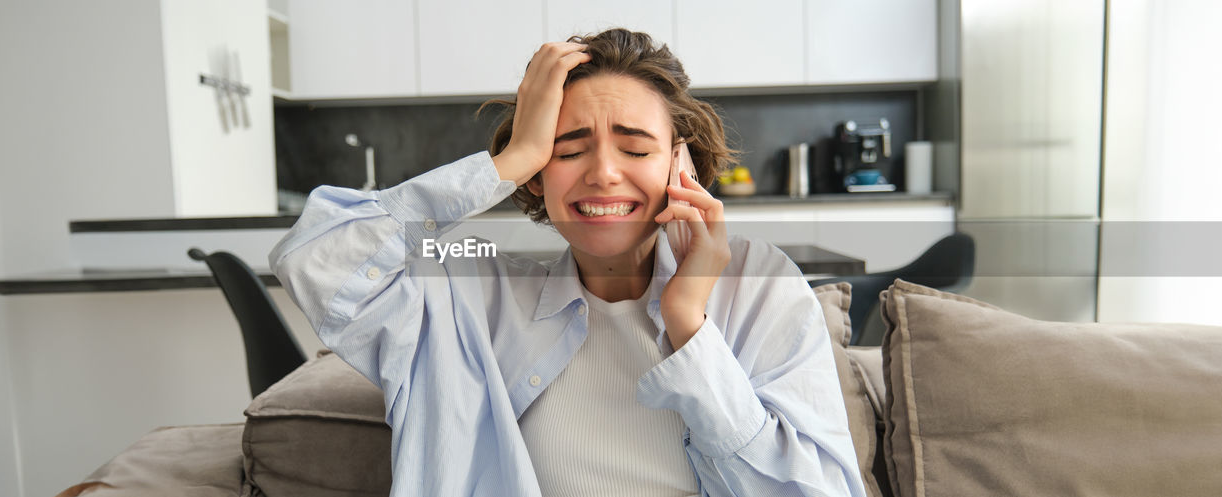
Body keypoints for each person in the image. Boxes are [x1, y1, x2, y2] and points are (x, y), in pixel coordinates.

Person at [270, 28, 865, 497]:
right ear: (537, 177)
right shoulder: (475, 283)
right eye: (567, 150)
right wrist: (506, 161)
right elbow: (316, 259)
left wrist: (689, 324)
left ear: (681, 165)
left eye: (635, 148)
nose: (603, 171)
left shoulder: (755, 286)